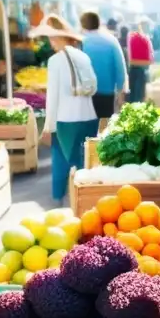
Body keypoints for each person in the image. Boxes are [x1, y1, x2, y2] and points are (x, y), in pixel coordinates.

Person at [32, 15, 98, 203]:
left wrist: (47, 127)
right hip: (88, 116)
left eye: (52, 38)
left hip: (65, 119)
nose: (50, 42)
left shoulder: (55, 61)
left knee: (61, 161)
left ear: (59, 38)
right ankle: (84, 200)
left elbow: (52, 96)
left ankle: (58, 201)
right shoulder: (83, 56)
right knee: (83, 160)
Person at [80, 11, 127, 131]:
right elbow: (120, 67)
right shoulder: (111, 41)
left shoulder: (80, 42)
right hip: (107, 92)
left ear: (82, 25)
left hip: (85, 92)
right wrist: (121, 90)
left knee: (87, 130)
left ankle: (87, 149)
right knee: (104, 129)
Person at [127, 19, 153, 103]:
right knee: (139, 98)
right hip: (141, 70)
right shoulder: (145, 39)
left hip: (131, 69)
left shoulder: (131, 38)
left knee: (132, 96)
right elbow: (150, 59)